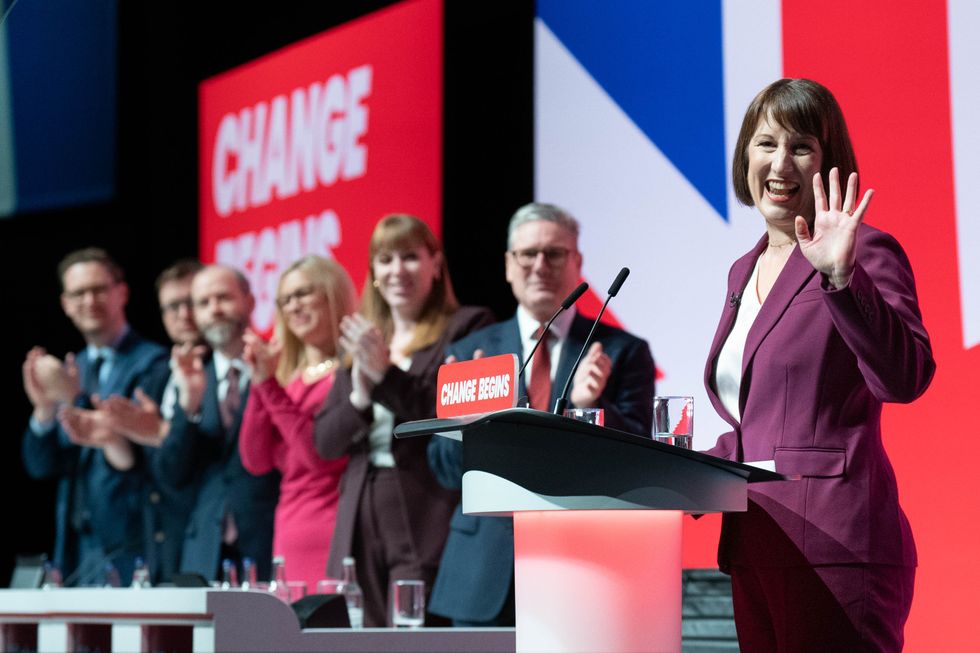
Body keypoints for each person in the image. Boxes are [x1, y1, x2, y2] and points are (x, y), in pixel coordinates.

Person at [703, 78, 934, 652]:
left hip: (835, 545)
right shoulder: (742, 269)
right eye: (765, 143)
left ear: (829, 164)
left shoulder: (865, 251)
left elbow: (905, 378)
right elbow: (761, 424)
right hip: (757, 541)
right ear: (744, 156)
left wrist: (841, 276)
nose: (780, 163)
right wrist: (668, 468)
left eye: (801, 146)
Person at [427, 202, 656, 626]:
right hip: (482, 574)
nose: (539, 265)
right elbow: (441, 467)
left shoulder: (623, 352)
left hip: (584, 567)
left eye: (554, 253)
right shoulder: (467, 353)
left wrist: (592, 411)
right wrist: (472, 423)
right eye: (526, 254)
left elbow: (645, 456)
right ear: (508, 266)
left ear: (577, 262)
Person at [314, 214, 494, 627]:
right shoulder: (364, 336)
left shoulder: (467, 328)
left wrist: (384, 374)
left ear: (435, 263)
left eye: (410, 257)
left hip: (424, 505)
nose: (398, 271)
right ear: (374, 272)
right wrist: (360, 392)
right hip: (361, 506)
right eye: (385, 259)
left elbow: (444, 413)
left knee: (414, 633)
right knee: (364, 633)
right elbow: (325, 442)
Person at [21, 248, 168, 585]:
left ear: (122, 292)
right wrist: (44, 409)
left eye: (99, 289)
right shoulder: (76, 368)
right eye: (78, 293)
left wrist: (74, 398)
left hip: (131, 541)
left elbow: (136, 455)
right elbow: (42, 466)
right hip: (75, 546)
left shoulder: (152, 363)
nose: (89, 300)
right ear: (66, 304)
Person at [155, 265, 279, 581]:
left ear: (250, 301)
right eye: (204, 303)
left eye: (223, 297)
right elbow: (172, 474)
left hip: (270, 540)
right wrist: (189, 407)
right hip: (205, 549)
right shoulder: (188, 376)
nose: (215, 310)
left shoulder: (279, 361)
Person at [238, 256, 356, 590]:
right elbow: (255, 460)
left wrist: (268, 387)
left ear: (332, 294)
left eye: (303, 293)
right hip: (289, 530)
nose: (293, 306)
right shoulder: (287, 379)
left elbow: (317, 457)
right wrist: (263, 381)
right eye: (285, 299)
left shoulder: (350, 373)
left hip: (333, 529)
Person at [96, 259, 204, 584]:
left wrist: (160, 432)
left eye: (191, 303)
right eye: (172, 306)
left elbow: (200, 460)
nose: (183, 315)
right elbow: (140, 469)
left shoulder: (222, 372)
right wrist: (109, 436)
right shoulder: (158, 377)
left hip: (205, 540)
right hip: (159, 544)